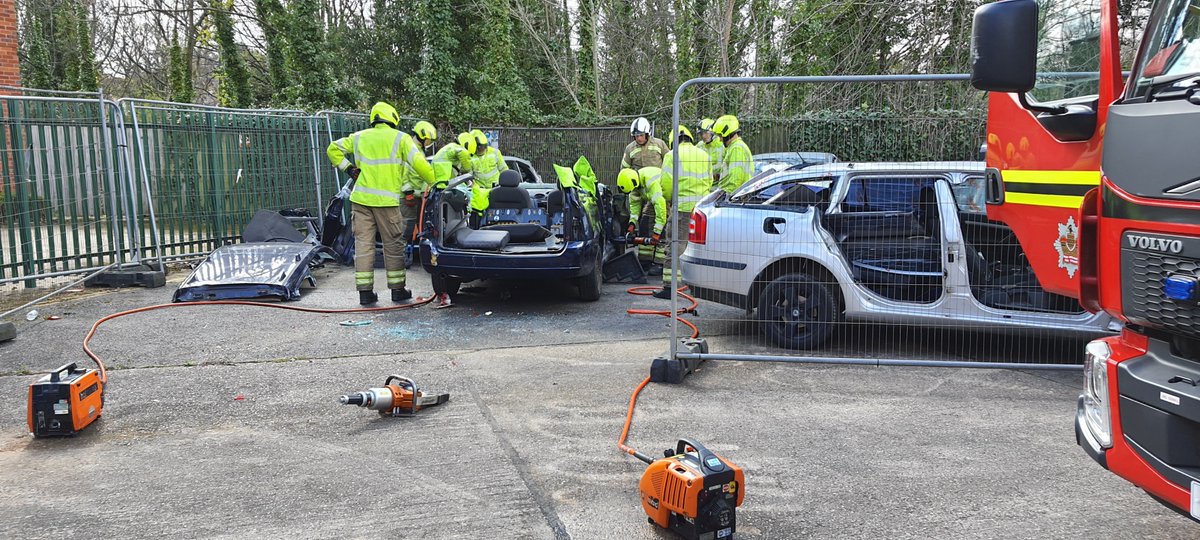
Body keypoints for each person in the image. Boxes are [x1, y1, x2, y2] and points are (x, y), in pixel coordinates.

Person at [326, 102, 433, 305]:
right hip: (387, 203)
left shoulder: (359, 137)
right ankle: (397, 291)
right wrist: (436, 183)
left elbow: (333, 149)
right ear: (393, 118)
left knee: (364, 246)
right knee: (393, 246)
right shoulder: (401, 139)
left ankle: (365, 294)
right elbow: (420, 164)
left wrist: (348, 168)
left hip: (361, 201)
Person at [655, 125, 712, 299]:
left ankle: (670, 287)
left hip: (681, 209)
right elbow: (709, 181)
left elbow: (666, 184)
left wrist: (670, 199)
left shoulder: (672, 155)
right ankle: (694, 284)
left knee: (675, 245)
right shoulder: (704, 155)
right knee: (695, 247)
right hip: (701, 210)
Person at [617, 167, 667, 271]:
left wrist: (657, 232)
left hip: (667, 197)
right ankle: (645, 260)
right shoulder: (634, 185)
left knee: (663, 229)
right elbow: (635, 206)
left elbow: (661, 208)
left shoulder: (650, 182)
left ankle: (660, 263)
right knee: (645, 223)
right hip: (655, 199)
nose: (633, 191)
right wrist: (632, 223)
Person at [401, 120, 439, 252]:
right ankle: (399, 253)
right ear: (420, 136)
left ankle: (407, 251)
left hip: (416, 196)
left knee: (416, 224)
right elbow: (402, 173)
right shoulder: (409, 149)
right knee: (406, 226)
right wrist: (408, 193)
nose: (429, 144)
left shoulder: (419, 151)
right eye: (428, 141)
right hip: (408, 197)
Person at [467, 129, 508, 218]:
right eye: (479, 147)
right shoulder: (469, 157)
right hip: (479, 193)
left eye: (483, 146)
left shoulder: (495, 152)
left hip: (496, 190)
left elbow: (504, 170)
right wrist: (473, 187)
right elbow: (469, 177)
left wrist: (505, 184)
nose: (482, 149)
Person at [714, 114, 754, 195]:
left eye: (720, 136)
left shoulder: (737, 149)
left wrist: (725, 197)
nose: (720, 139)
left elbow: (735, 180)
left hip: (735, 198)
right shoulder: (734, 147)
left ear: (727, 134)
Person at [698, 118, 724, 185]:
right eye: (701, 134)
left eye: (706, 133)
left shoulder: (722, 145)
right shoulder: (699, 146)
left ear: (713, 133)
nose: (703, 136)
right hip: (704, 185)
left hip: (720, 185)